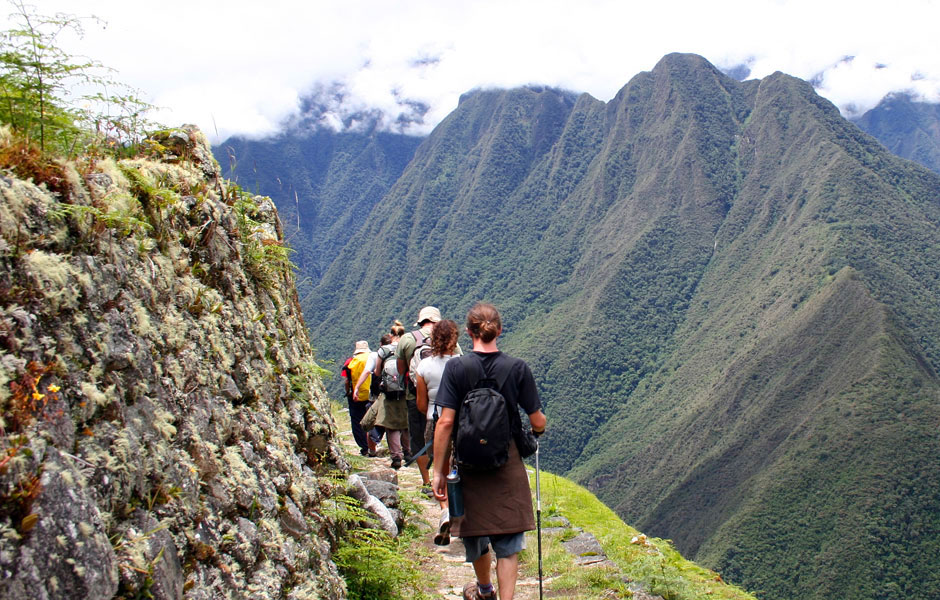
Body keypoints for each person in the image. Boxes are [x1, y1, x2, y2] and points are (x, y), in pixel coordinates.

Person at [431, 303, 546, 600]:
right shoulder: (517, 368)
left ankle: (484, 590)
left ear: (468, 332)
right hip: (505, 461)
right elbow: (537, 420)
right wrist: (537, 432)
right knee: (508, 541)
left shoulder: (456, 368)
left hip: (467, 464)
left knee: (475, 533)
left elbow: (445, 422)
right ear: (500, 330)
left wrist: (438, 471)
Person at [415, 318, 461, 544]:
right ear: (454, 339)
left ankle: (445, 510)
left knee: (441, 468)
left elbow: (421, 404)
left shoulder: (423, 367)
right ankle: (460, 512)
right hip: (461, 422)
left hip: (434, 421)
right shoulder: (463, 364)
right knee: (459, 466)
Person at [397, 306, 440, 486]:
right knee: (442, 437)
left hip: (414, 397)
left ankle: (426, 482)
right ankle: (443, 478)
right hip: (442, 399)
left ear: (421, 321)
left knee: (418, 438)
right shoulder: (446, 338)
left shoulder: (407, 339)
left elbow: (401, 370)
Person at [374, 321, 410, 468]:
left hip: (389, 393)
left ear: (391, 335)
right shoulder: (407, 348)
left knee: (391, 425)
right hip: (405, 391)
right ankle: (408, 452)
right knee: (406, 423)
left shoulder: (383, 351)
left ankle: (396, 457)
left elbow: (377, 372)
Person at [353, 333, 390, 456]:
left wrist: (356, 388)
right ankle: (397, 451)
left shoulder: (373, 356)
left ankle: (371, 449)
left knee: (369, 421)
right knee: (390, 420)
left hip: (372, 394)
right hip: (392, 393)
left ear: (381, 344)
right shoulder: (396, 354)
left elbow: (367, 372)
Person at [340, 340, 373, 456]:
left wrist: (349, 392)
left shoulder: (351, 362)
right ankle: (373, 445)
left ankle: (364, 447)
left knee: (357, 421)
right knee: (371, 420)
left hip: (356, 396)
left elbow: (347, 380)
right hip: (372, 394)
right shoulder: (373, 358)